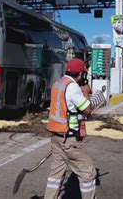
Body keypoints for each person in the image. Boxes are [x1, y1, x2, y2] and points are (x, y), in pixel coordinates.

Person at [44, 58, 97, 199]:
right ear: (81, 74)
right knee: (88, 173)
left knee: (55, 175)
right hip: (70, 139)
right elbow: (88, 110)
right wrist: (85, 92)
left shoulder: (59, 83)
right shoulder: (73, 87)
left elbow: (66, 107)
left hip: (56, 137)